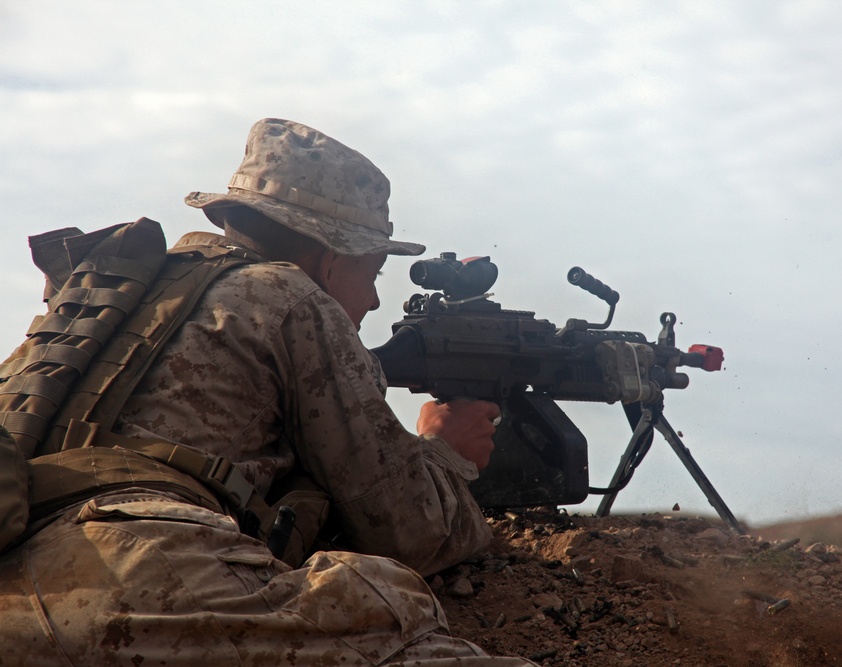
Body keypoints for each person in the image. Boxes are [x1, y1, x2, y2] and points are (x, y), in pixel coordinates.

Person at [0, 118, 537, 666]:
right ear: (331, 261)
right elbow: (409, 531)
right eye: (373, 272)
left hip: (16, 580)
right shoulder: (291, 296)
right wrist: (445, 452)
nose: (374, 301)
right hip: (138, 576)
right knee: (393, 607)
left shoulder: (116, 294)